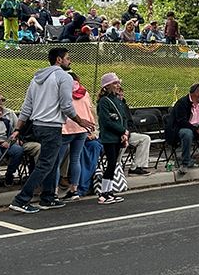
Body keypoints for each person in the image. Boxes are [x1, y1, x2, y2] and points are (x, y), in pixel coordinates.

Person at [9, 47, 95, 213]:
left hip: (38, 125)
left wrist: (18, 128)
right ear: (59, 60)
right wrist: (80, 121)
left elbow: (27, 106)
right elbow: (66, 105)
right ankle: (21, 199)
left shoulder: (36, 79)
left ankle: (48, 197)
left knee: (53, 162)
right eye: (67, 58)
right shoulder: (64, 77)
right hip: (52, 126)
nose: (70, 61)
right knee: (46, 164)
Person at [58, 71, 98, 201]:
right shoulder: (84, 92)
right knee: (75, 160)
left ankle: (54, 191)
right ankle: (74, 190)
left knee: (57, 161)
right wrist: (91, 127)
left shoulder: (63, 91)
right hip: (82, 128)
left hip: (66, 128)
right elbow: (90, 109)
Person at [95, 73, 131, 204]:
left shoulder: (117, 100)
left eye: (118, 83)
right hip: (109, 137)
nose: (118, 85)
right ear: (107, 86)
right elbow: (106, 121)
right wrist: (122, 130)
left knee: (114, 164)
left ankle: (109, 191)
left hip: (118, 136)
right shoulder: (104, 101)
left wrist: (124, 132)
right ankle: (103, 193)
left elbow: (124, 117)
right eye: (115, 83)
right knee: (110, 164)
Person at [170, 83, 199, 177]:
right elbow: (181, 121)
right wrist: (196, 130)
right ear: (196, 93)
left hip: (198, 127)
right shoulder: (182, 103)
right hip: (183, 128)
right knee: (187, 133)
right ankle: (185, 163)